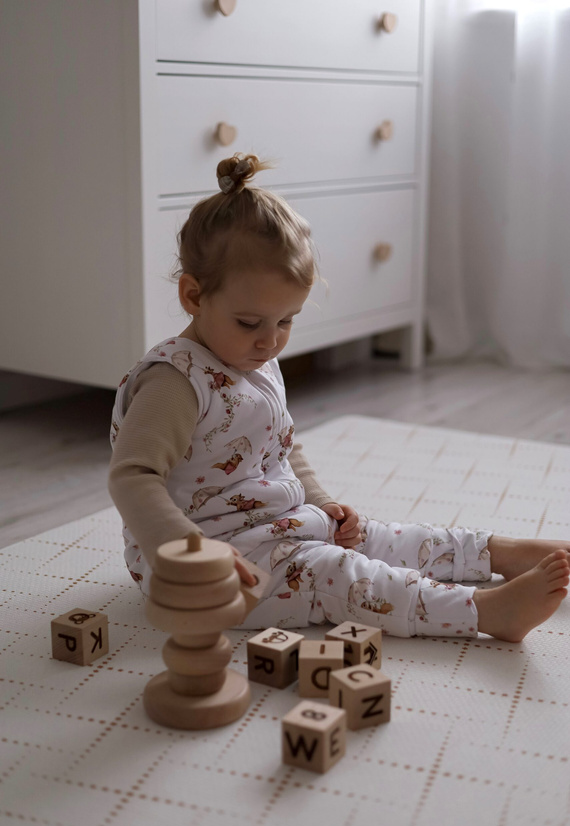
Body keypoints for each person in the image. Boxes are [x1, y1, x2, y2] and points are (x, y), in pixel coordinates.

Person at [108, 153, 569, 643]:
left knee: (376, 534)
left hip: (278, 523)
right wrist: (190, 550)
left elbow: (280, 446)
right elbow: (132, 477)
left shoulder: (251, 357)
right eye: (250, 323)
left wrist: (323, 503)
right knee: (336, 573)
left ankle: (499, 552)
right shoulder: (174, 383)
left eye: (286, 321)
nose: (270, 341)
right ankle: (480, 613)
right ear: (194, 297)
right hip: (210, 566)